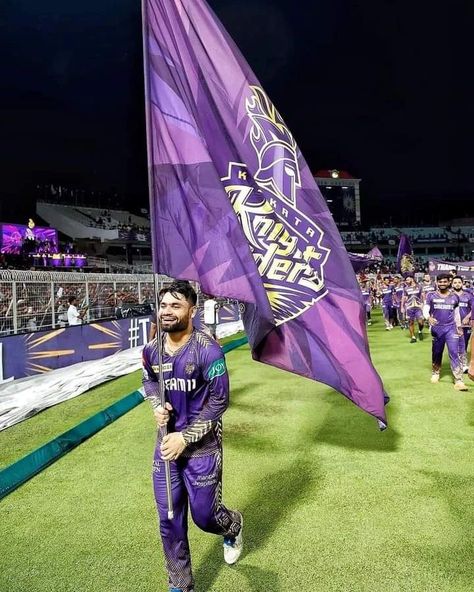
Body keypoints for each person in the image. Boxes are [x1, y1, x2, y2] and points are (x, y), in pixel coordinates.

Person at [142, 280, 243, 592]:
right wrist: (157, 405)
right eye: (163, 305)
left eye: (175, 305)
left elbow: (219, 401)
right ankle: (180, 584)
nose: (167, 311)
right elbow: (148, 381)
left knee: (203, 516)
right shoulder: (151, 349)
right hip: (166, 449)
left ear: (192, 310)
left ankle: (233, 525)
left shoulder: (208, 350)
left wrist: (185, 437)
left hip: (202, 448)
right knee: (169, 519)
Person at [423, 274, 468, 391]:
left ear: (449, 283)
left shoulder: (454, 297)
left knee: (454, 352)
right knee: (437, 352)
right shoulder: (431, 295)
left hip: (451, 328)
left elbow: (457, 314)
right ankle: (435, 372)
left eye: (445, 282)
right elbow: (425, 308)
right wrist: (428, 318)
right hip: (437, 329)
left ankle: (458, 380)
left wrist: (459, 328)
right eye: (440, 282)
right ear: (437, 283)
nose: (442, 284)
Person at [451, 275, 473, 372]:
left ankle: (463, 363)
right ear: (452, 284)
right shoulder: (449, 295)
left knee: (464, 343)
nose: (457, 284)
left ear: (462, 283)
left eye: (459, 282)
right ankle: (461, 364)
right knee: (456, 344)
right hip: (453, 324)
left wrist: (468, 317)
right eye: (455, 282)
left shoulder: (468, 295)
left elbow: (473, 308)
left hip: (466, 324)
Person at [402, 275, 424, 343]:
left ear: (412, 279)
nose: (407, 281)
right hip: (409, 307)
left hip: (418, 307)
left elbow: (423, 296)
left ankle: (420, 331)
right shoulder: (406, 288)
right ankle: (413, 337)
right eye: (406, 280)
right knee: (411, 322)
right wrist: (402, 307)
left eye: (408, 280)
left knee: (421, 321)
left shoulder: (419, 286)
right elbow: (404, 298)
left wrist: (424, 304)